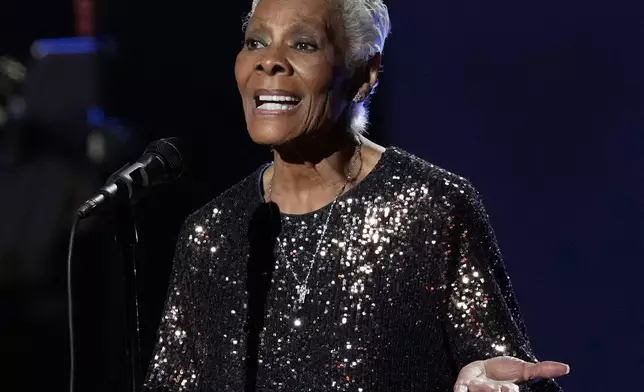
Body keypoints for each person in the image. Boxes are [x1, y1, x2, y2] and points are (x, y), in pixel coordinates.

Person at [143, 0, 570, 391]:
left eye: (303, 44)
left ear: (365, 74)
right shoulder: (212, 233)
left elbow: (510, 373)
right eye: (255, 42)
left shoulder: (430, 206)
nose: (269, 62)